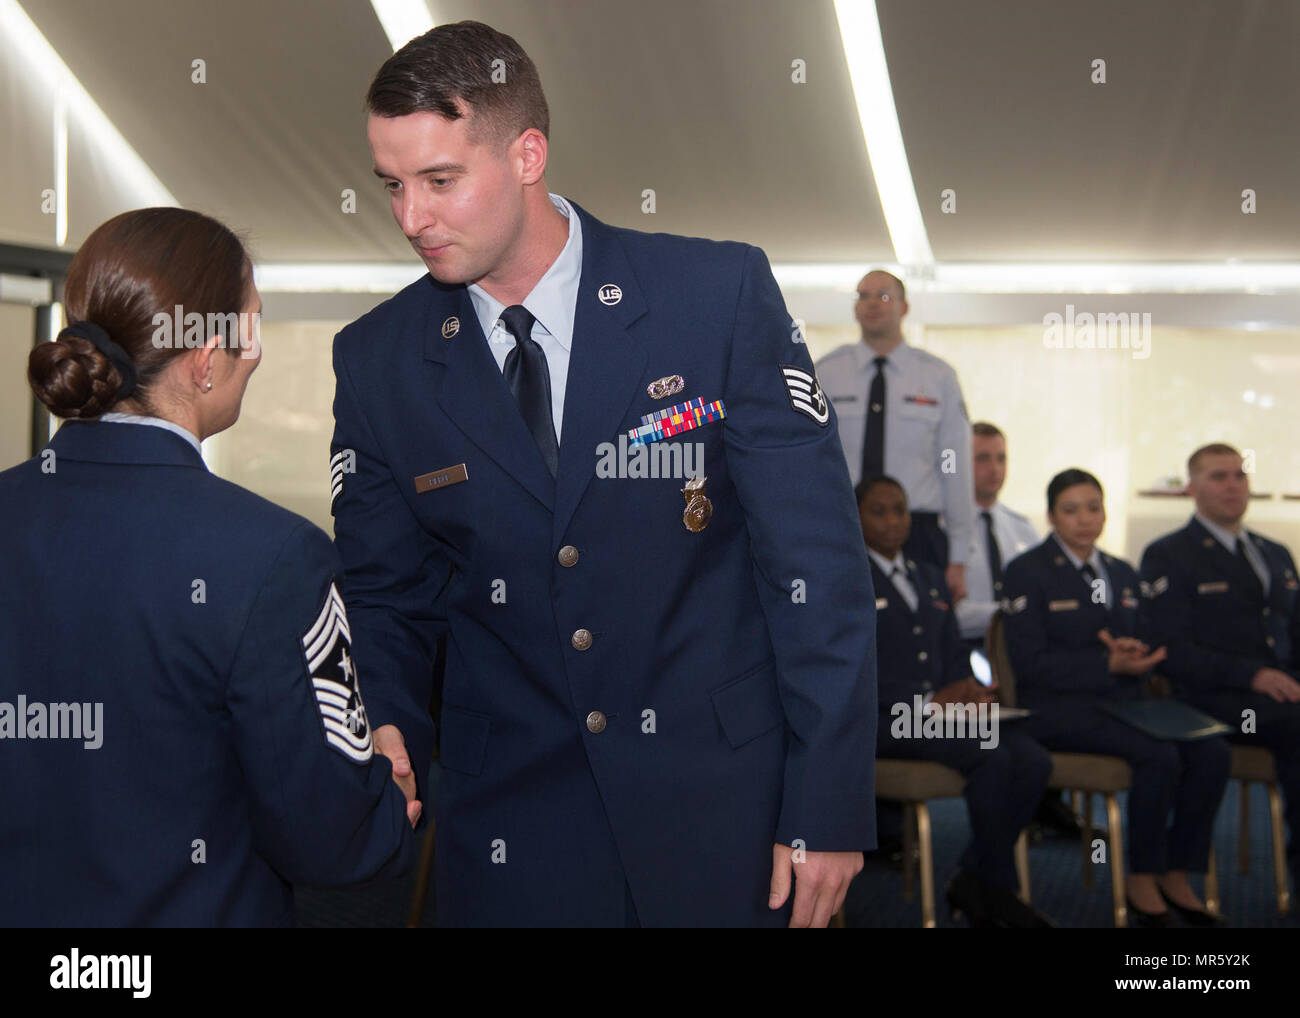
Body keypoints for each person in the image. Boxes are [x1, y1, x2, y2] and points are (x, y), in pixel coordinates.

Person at [330, 21, 876, 928]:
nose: (410, 219)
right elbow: (387, 596)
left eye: (439, 181)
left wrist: (828, 800)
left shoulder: (715, 298)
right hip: (511, 821)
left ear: (528, 154)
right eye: (391, 185)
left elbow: (814, 569)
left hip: (724, 805)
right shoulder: (380, 360)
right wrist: (387, 717)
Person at [0, 208, 417, 927]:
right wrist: (383, 778)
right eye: (251, 329)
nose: (256, 355)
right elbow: (333, 838)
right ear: (204, 359)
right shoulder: (273, 556)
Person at [1002, 469, 1230, 927]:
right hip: (1055, 710)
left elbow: (1139, 638)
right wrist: (1104, 665)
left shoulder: (1122, 572)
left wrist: (1134, 652)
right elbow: (1029, 665)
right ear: (1050, 516)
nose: (1085, 519)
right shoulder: (1026, 572)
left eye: (1094, 507)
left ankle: (1176, 870)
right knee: (1160, 757)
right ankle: (1141, 876)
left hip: (1127, 702)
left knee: (1213, 751)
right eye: (1071, 510)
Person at [855, 475, 1053, 927]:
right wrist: (929, 701)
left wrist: (972, 689)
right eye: (879, 511)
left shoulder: (928, 576)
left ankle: (974, 877)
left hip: (939, 716)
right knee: (993, 758)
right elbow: (850, 673)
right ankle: (995, 888)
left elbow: (951, 655)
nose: (892, 521)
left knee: (1034, 758)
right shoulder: (848, 581)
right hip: (887, 720)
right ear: (856, 516)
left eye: (900, 509)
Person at [1140, 443, 1300, 888]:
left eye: (1239, 476)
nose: (1232, 486)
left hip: (1279, 693)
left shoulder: (1275, 553)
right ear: (1192, 488)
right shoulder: (1169, 554)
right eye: (1218, 476)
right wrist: (1252, 675)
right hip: (1212, 700)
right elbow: (1169, 648)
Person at [817, 270, 973, 601]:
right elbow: (809, 461)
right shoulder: (826, 372)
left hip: (917, 531)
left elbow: (955, 467)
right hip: (843, 529)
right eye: (863, 296)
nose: (872, 304)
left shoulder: (937, 376)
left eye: (884, 296)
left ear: (904, 308)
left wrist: (958, 555)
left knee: (921, 641)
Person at [956, 421, 1039, 650]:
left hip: (1019, 650)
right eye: (983, 458)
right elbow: (949, 612)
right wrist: (1012, 612)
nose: (994, 469)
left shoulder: (1023, 528)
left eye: (1001, 458)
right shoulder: (946, 530)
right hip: (963, 649)